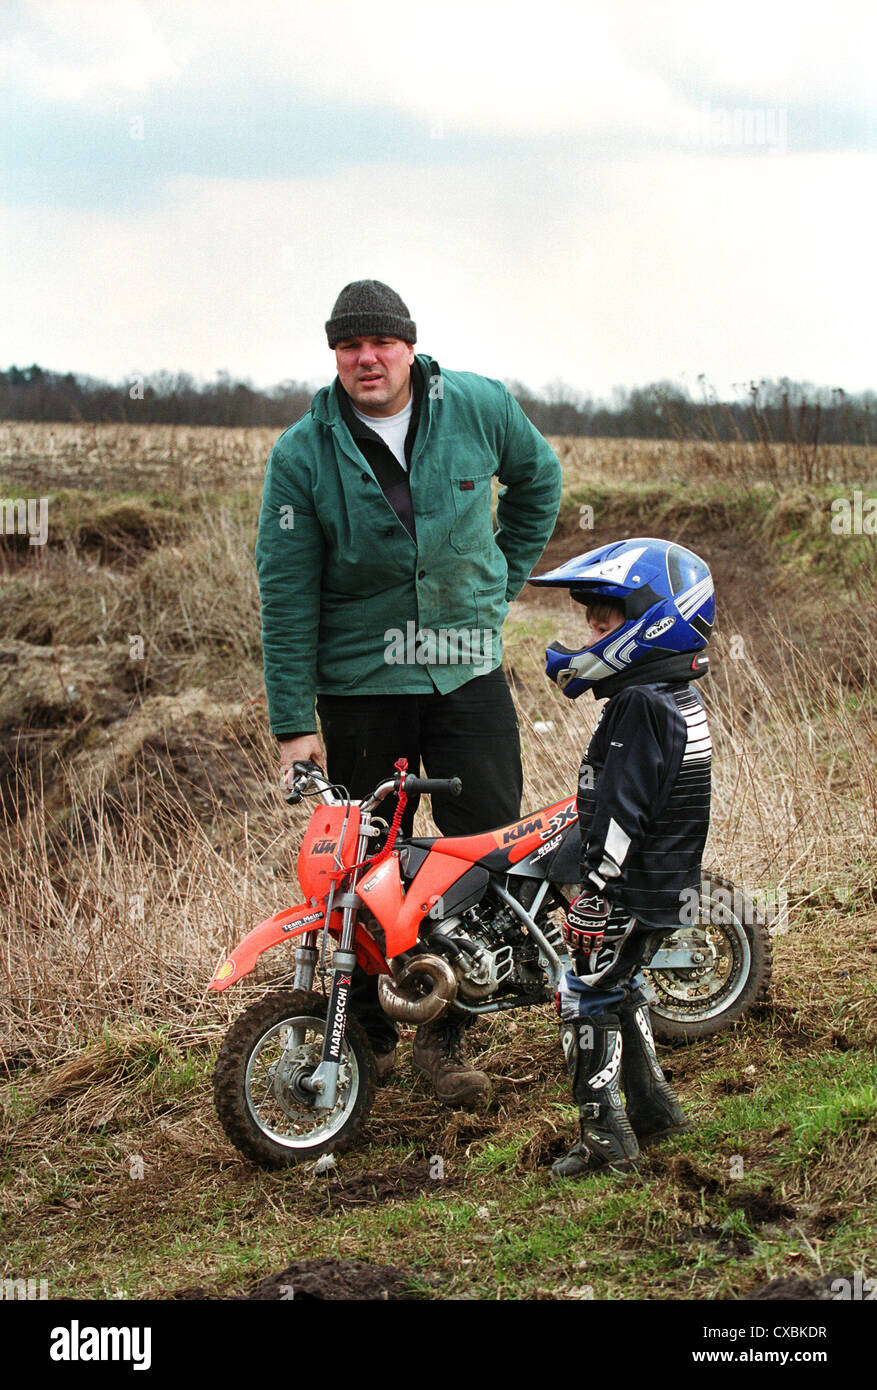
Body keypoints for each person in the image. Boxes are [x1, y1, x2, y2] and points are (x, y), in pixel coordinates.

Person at [255, 279, 562, 1105]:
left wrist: (498, 585)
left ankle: (450, 1034)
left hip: (466, 672)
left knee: (486, 853)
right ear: (334, 356)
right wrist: (293, 726)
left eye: (380, 344)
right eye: (349, 347)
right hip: (360, 688)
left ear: (408, 346)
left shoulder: (478, 407)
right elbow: (285, 596)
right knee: (366, 866)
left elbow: (539, 483)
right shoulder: (301, 456)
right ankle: (365, 1035)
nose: (366, 359)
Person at [528, 537, 714, 1177]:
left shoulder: (640, 704)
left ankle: (607, 1144)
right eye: (590, 611)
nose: (592, 623)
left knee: (584, 997)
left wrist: (595, 895)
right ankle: (656, 1112)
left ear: (657, 617)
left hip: (628, 888)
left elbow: (622, 812)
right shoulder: (674, 699)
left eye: (608, 610)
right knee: (620, 986)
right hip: (659, 885)